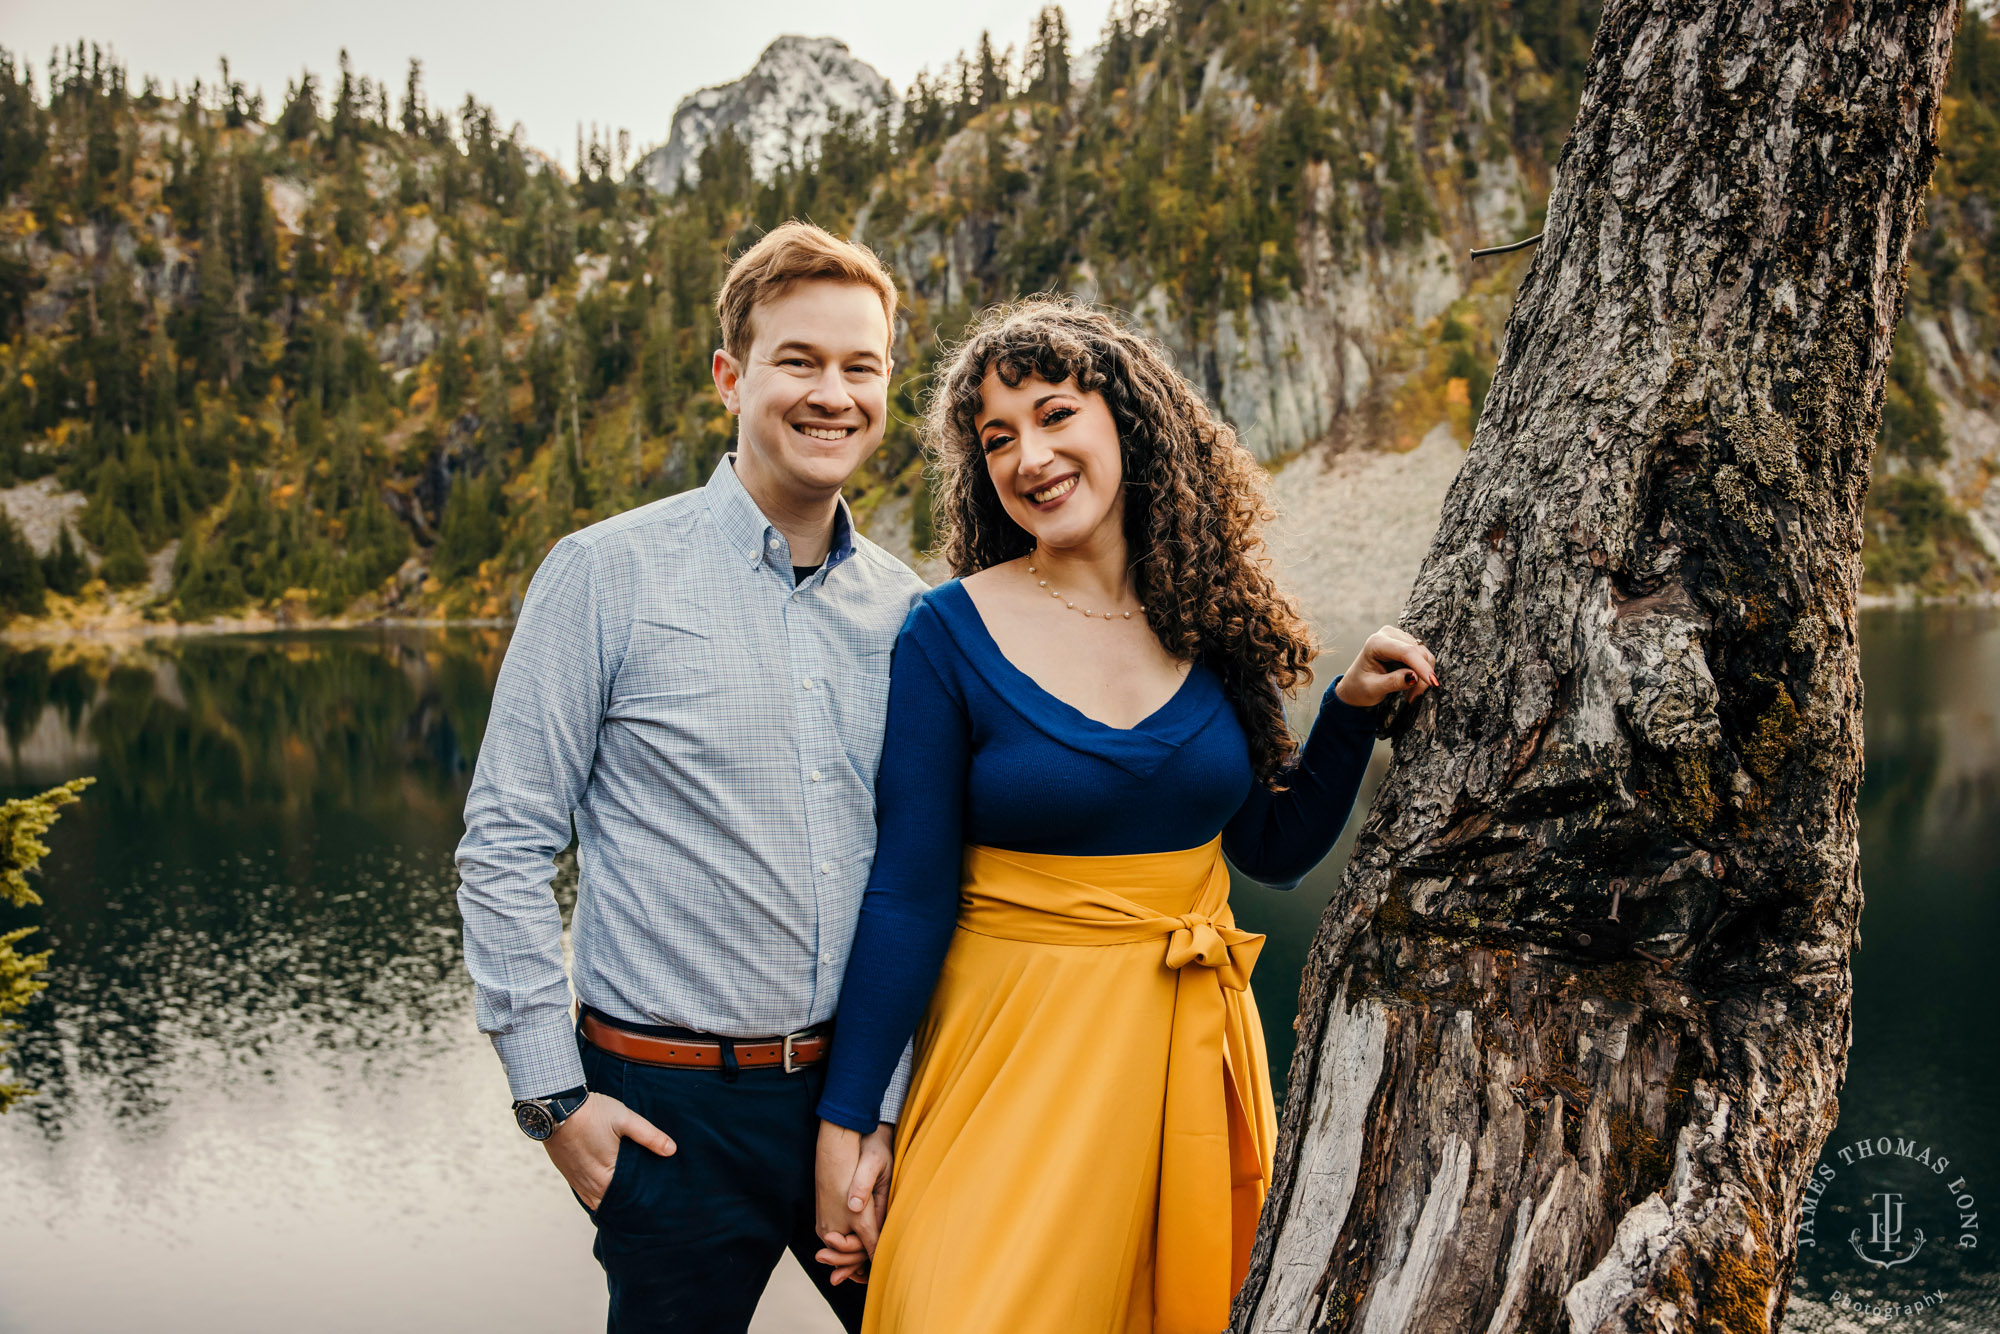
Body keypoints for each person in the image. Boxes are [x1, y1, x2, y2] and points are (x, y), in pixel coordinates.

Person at [809, 296, 1440, 1334]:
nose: (1028, 456)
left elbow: (1269, 849)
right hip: (1006, 1068)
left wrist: (1346, 714)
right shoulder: (944, 633)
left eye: (1055, 414)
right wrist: (850, 1122)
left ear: (1128, 424)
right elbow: (909, 894)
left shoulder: (1207, 618)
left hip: (1182, 1068)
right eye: (997, 438)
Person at [456, 220, 925, 1333]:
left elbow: (920, 871)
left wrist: (891, 1102)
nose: (832, 393)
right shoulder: (603, 574)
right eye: (798, 360)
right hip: (664, 1114)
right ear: (731, 377)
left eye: (860, 366)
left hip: (854, 1099)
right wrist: (553, 1099)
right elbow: (504, 843)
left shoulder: (912, 609)